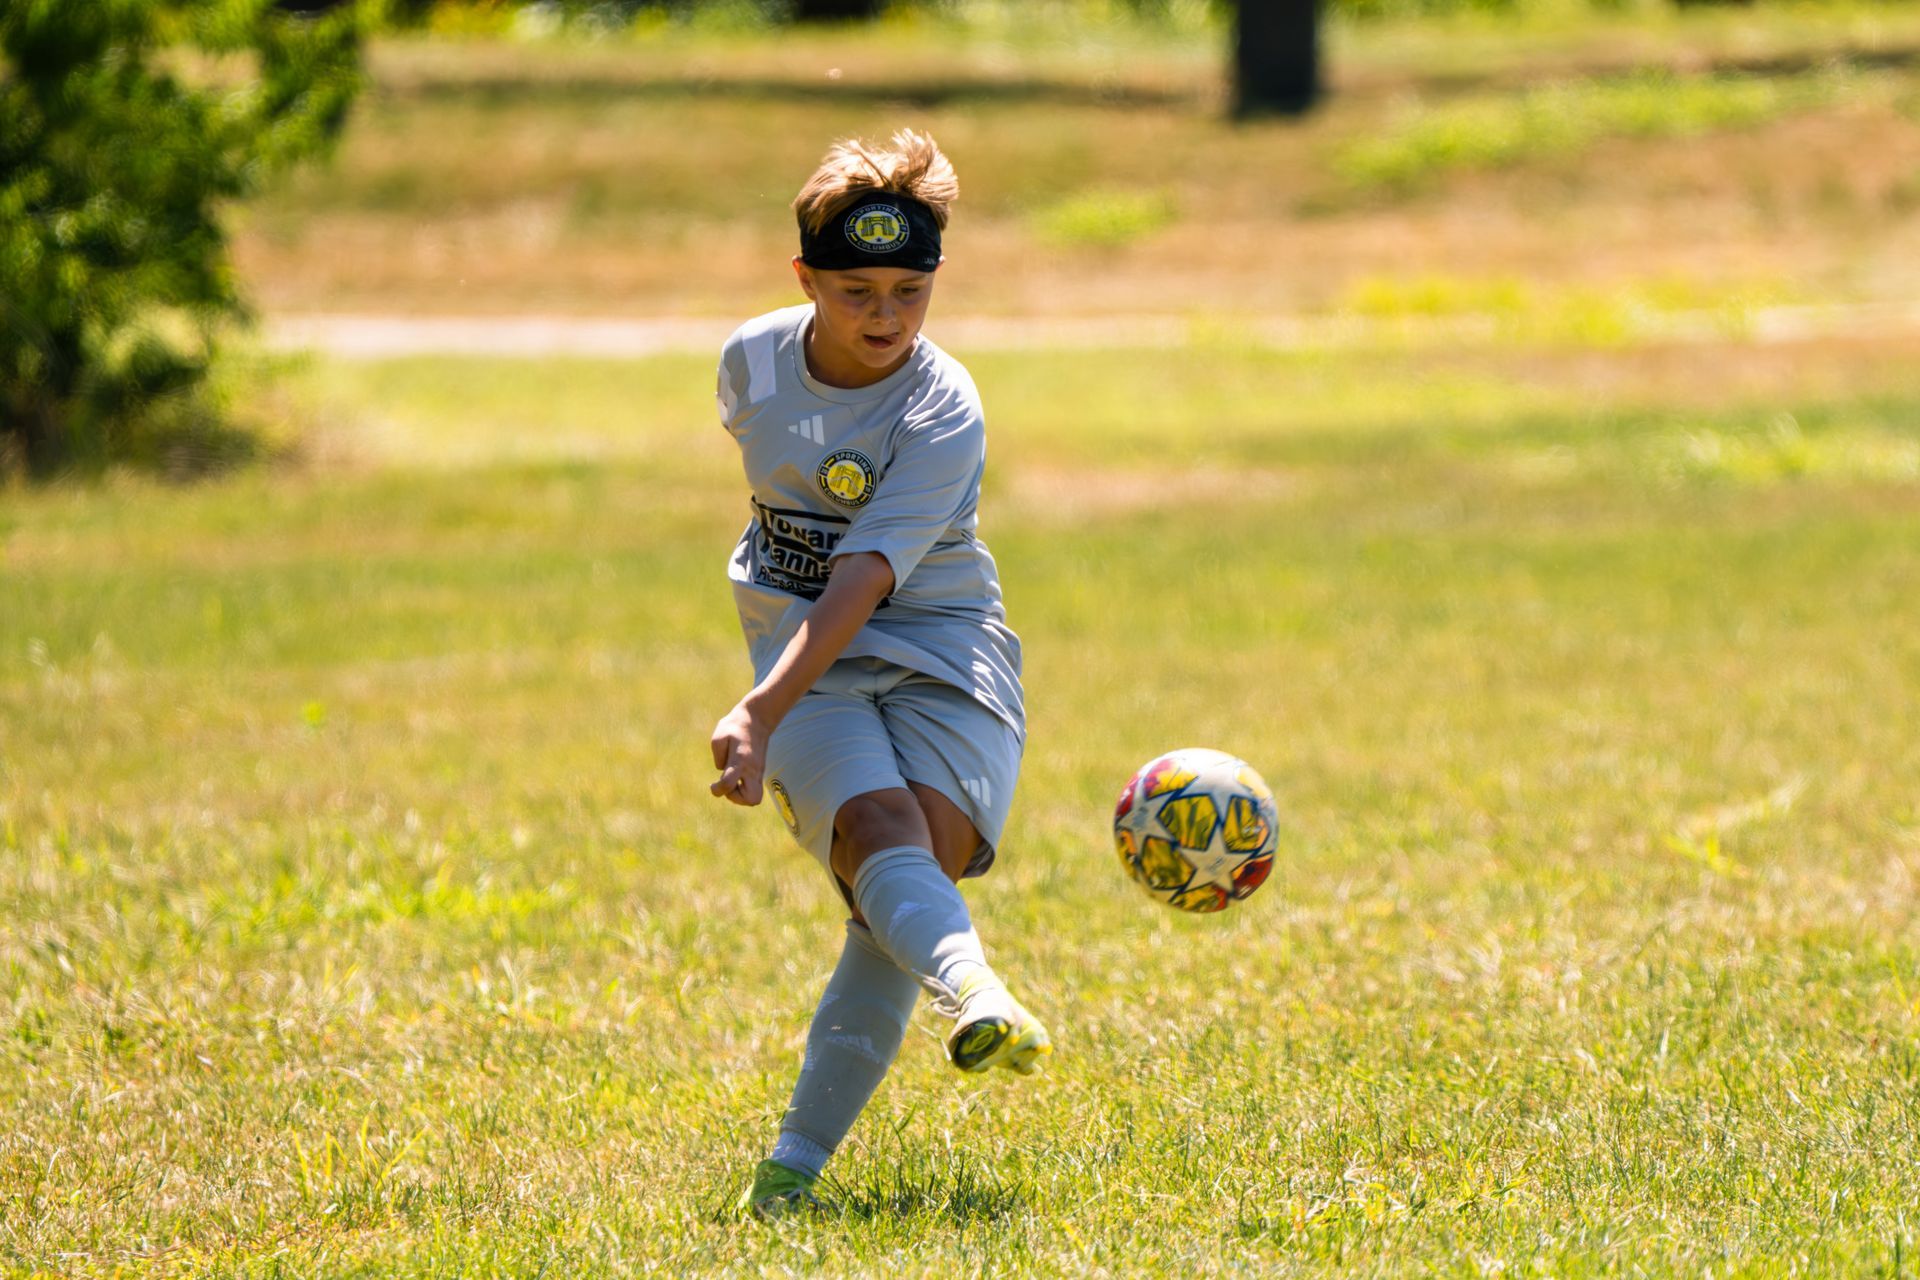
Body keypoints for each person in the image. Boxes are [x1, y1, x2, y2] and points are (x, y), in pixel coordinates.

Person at [707, 128, 1050, 1220]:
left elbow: (862, 574)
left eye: (911, 290)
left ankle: (789, 1175)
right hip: (807, 658)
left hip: (945, 647)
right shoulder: (749, 363)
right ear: (804, 279)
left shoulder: (944, 406)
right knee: (878, 840)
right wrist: (778, 691)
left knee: (903, 889)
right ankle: (981, 996)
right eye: (856, 290)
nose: (886, 316)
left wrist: (757, 712)